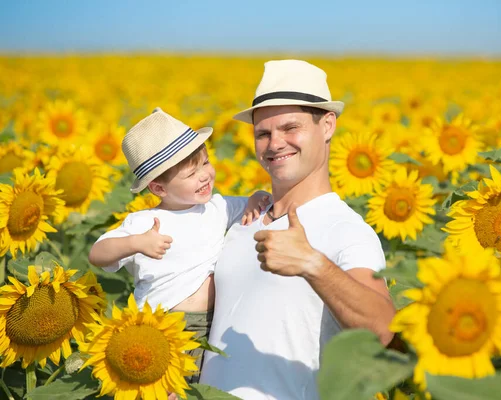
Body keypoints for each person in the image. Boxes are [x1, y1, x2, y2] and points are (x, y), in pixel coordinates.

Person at [200, 60, 396, 399]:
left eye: (291, 128)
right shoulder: (241, 221)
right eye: (263, 133)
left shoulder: (346, 229)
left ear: (328, 126)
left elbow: (385, 332)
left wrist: (312, 264)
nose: (275, 143)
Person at [88, 107, 270, 382]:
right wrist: (136, 243)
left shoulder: (216, 207)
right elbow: (97, 254)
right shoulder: (146, 221)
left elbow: (253, 201)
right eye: (190, 174)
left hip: (214, 324)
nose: (205, 175)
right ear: (159, 188)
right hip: (164, 326)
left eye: (206, 163)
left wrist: (257, 195)